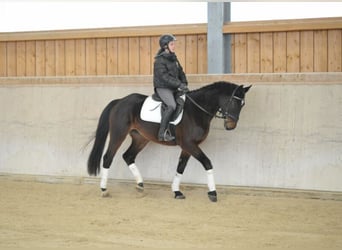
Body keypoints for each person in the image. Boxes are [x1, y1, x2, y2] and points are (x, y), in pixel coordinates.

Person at [153, 34, 189, 142]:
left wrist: (184, 83)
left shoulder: (174, 58)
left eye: (174, 44)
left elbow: (181, 72)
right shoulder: (159, 61)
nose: (174, 46)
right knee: (172, 105)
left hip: (173, 86)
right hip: (163, 87)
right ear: (165, 46)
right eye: (172, 44)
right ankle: (162, 133)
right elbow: (164, 77)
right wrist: (179, 85)